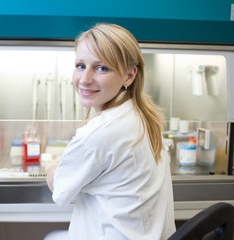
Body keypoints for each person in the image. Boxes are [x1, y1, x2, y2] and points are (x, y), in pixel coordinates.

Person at [45, 23, 176, 240]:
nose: (84, 79)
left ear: (129, 76)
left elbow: (60, 189)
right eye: (80, 65)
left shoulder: (99, 134)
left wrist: (52, 168)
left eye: (101, 68)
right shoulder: (143, 115)